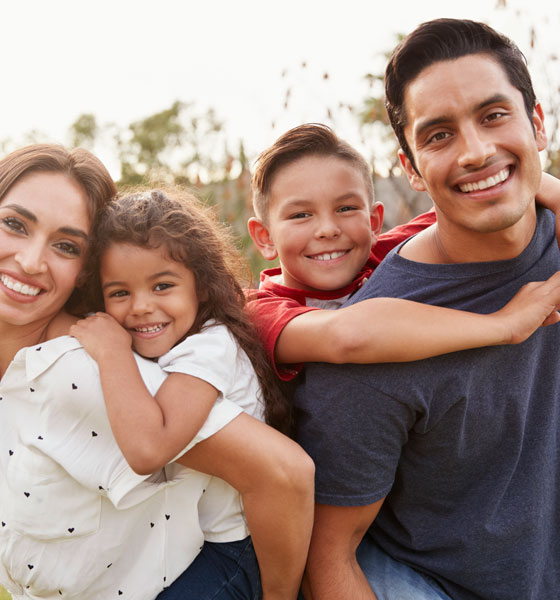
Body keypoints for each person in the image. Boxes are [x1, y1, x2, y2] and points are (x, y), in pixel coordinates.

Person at [0, 145, 313, 600]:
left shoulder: (86, 369)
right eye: (15, 224)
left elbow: (282, 474)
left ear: (82, 273)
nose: (30, 261)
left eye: (65, 245)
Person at [295, 18, 560, 600]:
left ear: (537, 124)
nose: (476, 151)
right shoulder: (376, 349)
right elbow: (328, 558)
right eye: (439, 135)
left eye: (494, 116)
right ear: (411, 167)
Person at [69, 187, 313, 599]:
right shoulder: (172, 343)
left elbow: (150, 449)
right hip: (195, 543)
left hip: (238, 550)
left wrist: (111, 352)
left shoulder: (209, 346)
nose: (141, 306)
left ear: (200, 287)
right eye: (120, 293)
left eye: (162, 286)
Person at [247, 122, 560, 381]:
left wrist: (554, 195)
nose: (328, 229)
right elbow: (348, 336)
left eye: (346, 208)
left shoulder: (386, 254)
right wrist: (505, 325)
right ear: (265, 237)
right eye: (301, 215)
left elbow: (477, 202)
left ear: (374, 223)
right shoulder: (256, 310)